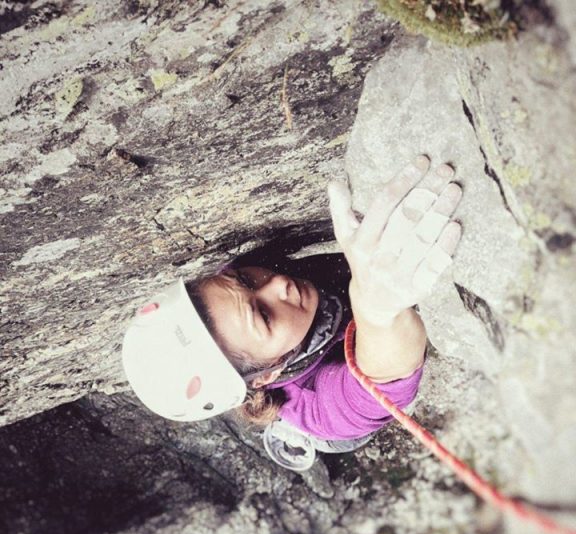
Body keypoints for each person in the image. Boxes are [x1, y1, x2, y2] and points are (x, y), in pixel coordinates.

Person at [123, 156, 462, 471]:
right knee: (341, 437)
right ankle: (293, 436)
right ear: (266, 377)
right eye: (264, 316)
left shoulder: (233, 298)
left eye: (244, 280)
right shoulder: (316, 406)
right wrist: (378, 312)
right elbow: (378, 386)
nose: (278, 285)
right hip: (332, 427)